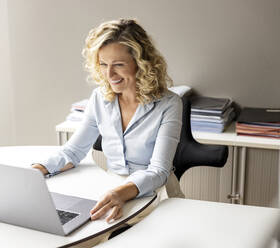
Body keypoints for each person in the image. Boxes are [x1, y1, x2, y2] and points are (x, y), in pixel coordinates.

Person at [32, 19, 183, 224]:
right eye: (103, 64)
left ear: (141, 63)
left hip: (157, 193)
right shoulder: (100, 98)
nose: (109, 74)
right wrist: (38, 170)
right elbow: (74, 151)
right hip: (111, 190)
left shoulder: (169, 103)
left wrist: (121, 193)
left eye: (119, 65)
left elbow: (159, 171)